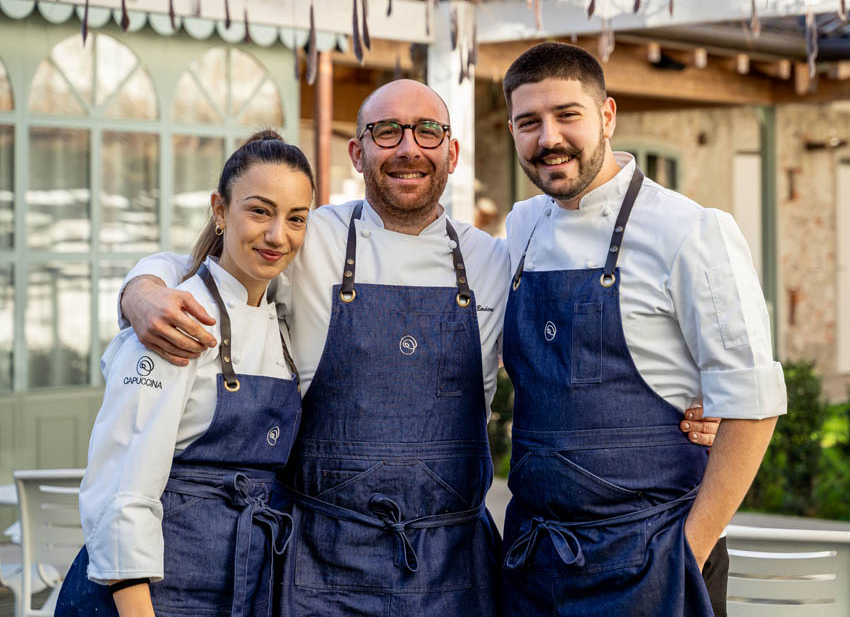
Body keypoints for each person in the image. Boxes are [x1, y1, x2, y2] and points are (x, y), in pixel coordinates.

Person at [113, 79, 720, 616]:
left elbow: (574, 352)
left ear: (451, 153)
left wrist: (683, 400)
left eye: (428, 131)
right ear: (358, 153)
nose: (409, 148)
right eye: (387, 132)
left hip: (456, 569)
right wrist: (142, 290)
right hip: (323, 565)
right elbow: (215, 261)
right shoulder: (307, 236)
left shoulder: (493, 258)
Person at [498, 42, 786, 617]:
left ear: (607, 115)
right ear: (512, 130)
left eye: (567, 115)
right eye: (529, 122)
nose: (549, 138)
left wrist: (687, 554)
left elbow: (753, 406)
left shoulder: (690, 230)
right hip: (534, 560)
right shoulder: (522, 227)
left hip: (653, 559)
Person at [54, 131, 315, 617]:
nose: (278, 235)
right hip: (149, 597)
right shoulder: (174, 320)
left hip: (240, 589)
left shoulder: (285, 320)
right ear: (220, 211)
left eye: (296, 218)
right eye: (260, 211)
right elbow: (121, 489)